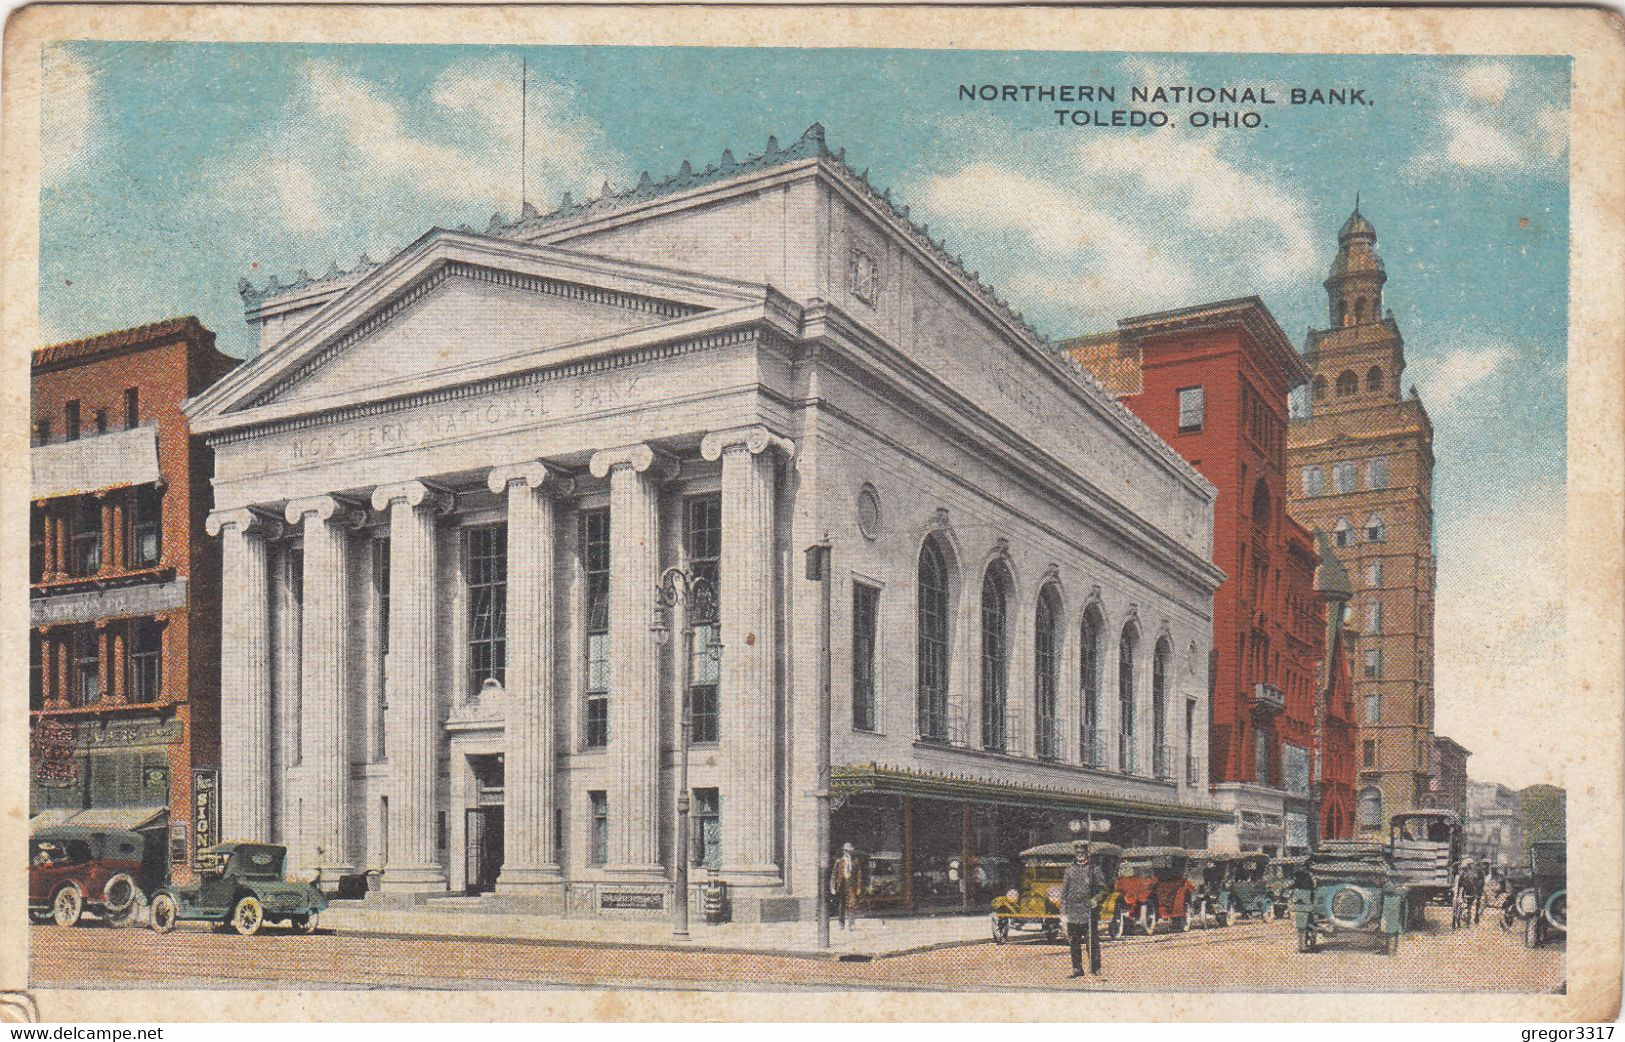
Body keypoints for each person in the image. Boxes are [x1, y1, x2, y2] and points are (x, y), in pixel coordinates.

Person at [1061, 841, 1105, 978]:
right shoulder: (1069, 871)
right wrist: (1063, 914)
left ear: (1087, 853)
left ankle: (1095, 968)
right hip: (1073, 911)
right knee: (1074, 942)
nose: (1080, 855)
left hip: (1089, 912)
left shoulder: (1094, 870)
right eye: (1077, 852)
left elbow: (1103, 889)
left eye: (1083, 852)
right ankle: (1077, 969)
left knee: (1092, 942)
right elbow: (1064, 894)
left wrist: (1096, 899)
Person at [829, 842, 864, 930]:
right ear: (843, 851)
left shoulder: (855, 861)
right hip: (841, 886)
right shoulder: (839, 861)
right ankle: (841, 924)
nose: (847, 853)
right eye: (846, 851)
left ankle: (851, 924)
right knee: (841, 905)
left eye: (849, 851)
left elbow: (859, 875)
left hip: (851, 886)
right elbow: (834, 875)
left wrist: (859, 887)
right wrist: (832, 887)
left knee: (852, 904)